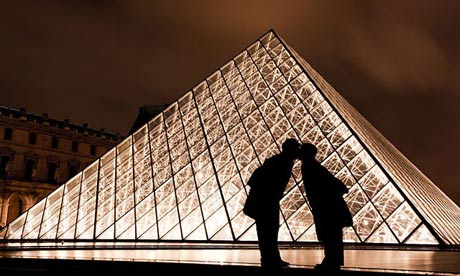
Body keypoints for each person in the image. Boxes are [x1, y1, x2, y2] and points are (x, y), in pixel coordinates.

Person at [243, 138, 300, 269]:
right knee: (268, 230)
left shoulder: (278, 160)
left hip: (267, 199)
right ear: (290, 150)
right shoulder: (281, 162)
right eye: (296, 149)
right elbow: (258, 179)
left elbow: (254, 179)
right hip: (266, 201)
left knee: (269, 231)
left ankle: (271, 258)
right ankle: (270, 259)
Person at [299, 143, 353, 272]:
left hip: (326, 206)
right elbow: (336, 184)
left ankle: (331, 261)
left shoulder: (310, 166)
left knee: (330, 234)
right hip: (328, 205)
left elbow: (332, 184)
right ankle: (332, 261)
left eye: (301, 151)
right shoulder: (314, 165)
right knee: (332, 235)